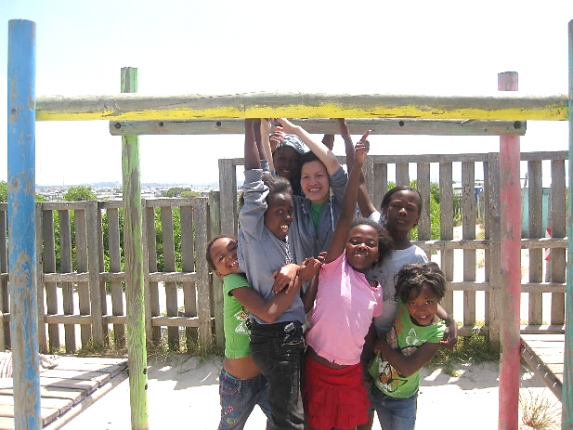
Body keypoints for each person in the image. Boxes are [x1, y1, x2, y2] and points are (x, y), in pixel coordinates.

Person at [336, 119, 457, 430]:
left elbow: (423, 295)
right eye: (397, 205)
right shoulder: (372, 230)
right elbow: (358, 181)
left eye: (411, 209)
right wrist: (349, 139)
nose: (403, 211)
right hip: (360, 336)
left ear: (416, 220)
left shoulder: (416, 256)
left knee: (389, 394)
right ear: (385, 209)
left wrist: (449, 319)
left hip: (394, 339)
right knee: (362, 406)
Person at [302, 135, 394, 430]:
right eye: (355, 240)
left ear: (378, 252)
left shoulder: (375, 293)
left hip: (351, 374)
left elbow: (364, 332)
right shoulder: (333, 268)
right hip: (317, 371)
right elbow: (345, 213)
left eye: (370, 243)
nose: (362, 246)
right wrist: (357, 164)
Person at [237, 119, 320, 430]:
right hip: (276, 337)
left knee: (287, 411)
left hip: (288, 336)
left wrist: (300, 269)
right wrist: (250, 125)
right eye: (278, 211)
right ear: (260, 212)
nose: (286, 216)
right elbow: (255, 177)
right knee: (290, 419)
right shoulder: (255, 234)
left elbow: (265, 173)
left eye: (289, 211)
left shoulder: (282, 242)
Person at [206, 234, 319, 430]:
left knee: (288, 422)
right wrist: (298, 274)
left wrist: (315, 274)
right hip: (238, 384)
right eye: (221, 257)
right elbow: (269, 313)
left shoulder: (260, 275)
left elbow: (302, 306)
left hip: (269, 377)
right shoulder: (232, 281)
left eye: (233, 248)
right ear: (218, 273)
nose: (230, 257)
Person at [369, 262, 448, 430]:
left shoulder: (436, 334)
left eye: (428, 302)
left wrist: (383, 346)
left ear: (438, 299)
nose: (421, 310)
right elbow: (420, 296)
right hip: (378, 387)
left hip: (403, 399)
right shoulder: (405, 306)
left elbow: (407, 368)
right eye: (414, 303)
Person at [273, 118, 349, 271]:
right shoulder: (294, 208)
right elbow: (269, 179)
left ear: (330, 178)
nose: (312, 182)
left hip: (337, 289)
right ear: (300, 181)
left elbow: (333, 163)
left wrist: (296, 130)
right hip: (302, 291)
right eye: (306, 177)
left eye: (319, 175)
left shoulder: (342, 204)